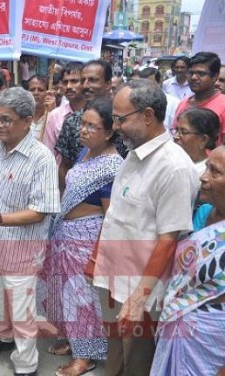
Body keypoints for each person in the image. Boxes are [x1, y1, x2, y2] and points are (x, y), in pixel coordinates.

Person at [88, 79, 199, 375]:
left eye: (120, 119)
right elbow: (116, 216)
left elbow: (168, 239)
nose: (116, 126)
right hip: (113, 280)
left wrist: (139, 299)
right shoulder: (133, 156)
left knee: (137, 363)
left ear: (147, 115)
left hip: (141, 291)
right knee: (116, 360)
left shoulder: (173, 168)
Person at [0, 87, 60, 376]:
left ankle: (25, 364)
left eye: (6, 120)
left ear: (26, 120)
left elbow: (40, 210)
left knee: (21, 309)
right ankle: (3, 337)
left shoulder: (41, 158)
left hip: (21, 248)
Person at [45, 98, 122, 376]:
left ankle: (86, 356)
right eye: (83, 124)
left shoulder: (113, 166)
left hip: (86, 239)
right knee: (65, 295)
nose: (84, 130)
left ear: (110, 131)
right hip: (66, 235)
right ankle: (74, 342)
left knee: (83, 299)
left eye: (93, 126)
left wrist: (99, 252)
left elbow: (110, 215)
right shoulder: (85, 154)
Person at [150, 145, 225, 376]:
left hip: (212, 344)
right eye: (207, 168)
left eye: (215, 172)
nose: (203, 177)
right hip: (178, 328)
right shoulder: (203, 213)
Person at [55, 60, 126, 191]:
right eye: (83, 80)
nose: (86, 85)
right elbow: (65, 166)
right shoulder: (71, 122)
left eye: (93, 80)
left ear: (108, 84)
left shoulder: (122, 121)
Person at [173, 52, 225, 146]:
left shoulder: (223, 105)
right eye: (191, 73)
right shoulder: (183, 104)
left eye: (201, 73)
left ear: (215, 76)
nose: (193, 77)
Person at [42, 61, 86, 164]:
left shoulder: (95, 113)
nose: (69, 86)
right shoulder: (55, 116)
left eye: (74, 81)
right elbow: (49, 154)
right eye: (65, 82)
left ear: (85, 83)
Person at [171, 107, 220, 177]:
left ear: (203, 140)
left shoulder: (205, 174)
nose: (176, 136)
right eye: (176, 130)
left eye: (183, 132)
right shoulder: (170, 161)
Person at [26, 74, 56, 140]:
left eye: (40, 90)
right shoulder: (21, 117)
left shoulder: (53, 117)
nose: (36, 93)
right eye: (32, 90)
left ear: (48, 93)